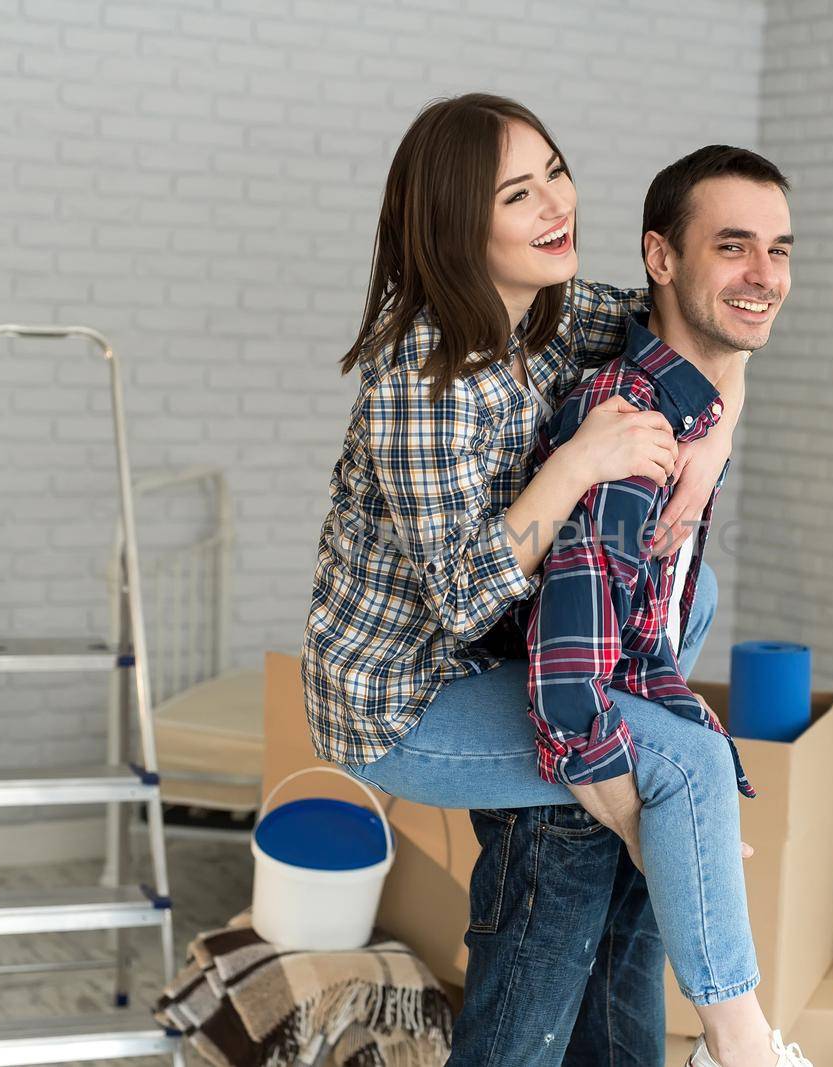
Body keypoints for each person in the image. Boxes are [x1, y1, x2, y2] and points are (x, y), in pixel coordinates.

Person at [299, 94, 801, 1067]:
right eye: (517, 195)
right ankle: (739, 1046)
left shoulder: (560, 316)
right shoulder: (424, 385)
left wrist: (713, 443)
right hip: (408, 705)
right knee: (677, 773)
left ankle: (648, 841)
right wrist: (574, 464)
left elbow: (707, 327)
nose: (554, 206)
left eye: (556, 175)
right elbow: (469, 599)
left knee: (684, 592)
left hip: (510, 657)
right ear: (458, 225)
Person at [461, 146, 800, 1067]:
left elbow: (645, 639)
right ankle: (745, 1050)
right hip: (574, 774)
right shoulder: (627, 425)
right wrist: (658, 823)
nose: (763, 274)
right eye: (734, 246)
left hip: (617, 744)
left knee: (620, 1047)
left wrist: (723, 420)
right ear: (660, 256)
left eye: (779, 249)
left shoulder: (690, 410)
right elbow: (567, 672)